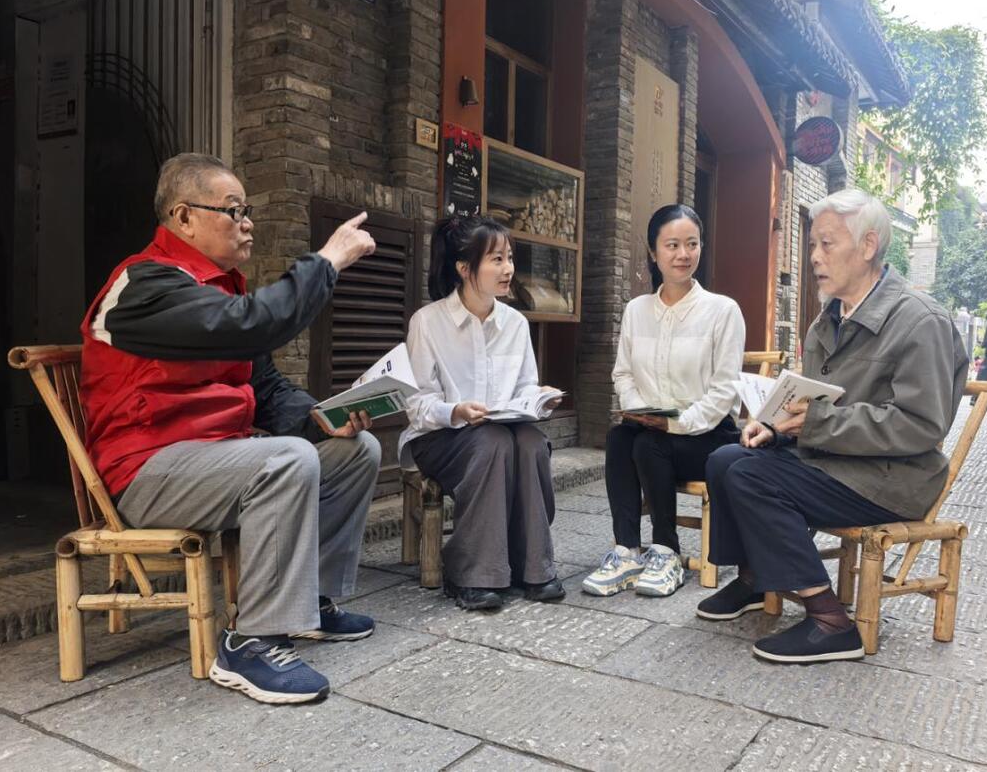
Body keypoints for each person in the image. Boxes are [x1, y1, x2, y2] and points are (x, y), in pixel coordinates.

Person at [80, 153, 383, 704]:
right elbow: (253, 325)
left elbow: (266, 389)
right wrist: (328, 261)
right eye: (233, 210)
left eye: (247, 212)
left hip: (219, 460)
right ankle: (250, 642)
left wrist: (324, 418)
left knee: (355, 449)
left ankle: (309, 603)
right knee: (286, 459)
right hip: (147, 472)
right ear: (183, 217)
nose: (247, 224)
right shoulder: (145, 284)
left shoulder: (219, 290)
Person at [695, 188, 967, 663]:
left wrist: (817, 423)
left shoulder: (920, 321)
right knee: (725, 459)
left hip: (892, 478)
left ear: (868, 246)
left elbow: (921, 426)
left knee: (752, 476)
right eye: (813, 245)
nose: (815, 257)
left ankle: (831, 621)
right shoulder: (828, 319)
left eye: (827, 244)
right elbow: (816, 401)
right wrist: (776, 425)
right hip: (835, 459)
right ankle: (755, 579)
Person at [401, 215, 565, 611]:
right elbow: (417, 405)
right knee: (492, 441)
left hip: (501, 433)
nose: (509, 269)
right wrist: (456, 410)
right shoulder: (427, 322)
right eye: (497, 259)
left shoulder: (516, 323)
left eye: (509, 258)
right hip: (439, 438)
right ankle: (472, 573)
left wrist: (539, 397)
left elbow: (524, 387)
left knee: (530, 442)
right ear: (464, 268)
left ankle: (533, 567)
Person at [582, 205, 743, 598]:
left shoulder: (722, 311)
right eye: (672, 245)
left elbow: (724, 390)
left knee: (648, 444)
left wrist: (676, 423)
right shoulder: (637, 311)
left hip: (708, 437)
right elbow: (623, 373)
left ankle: (666, 551)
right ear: (653, 252)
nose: (683, 254)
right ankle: (627, 552)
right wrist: (640, 411)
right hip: (650, 429)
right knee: (621, 437)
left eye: (692, 244)